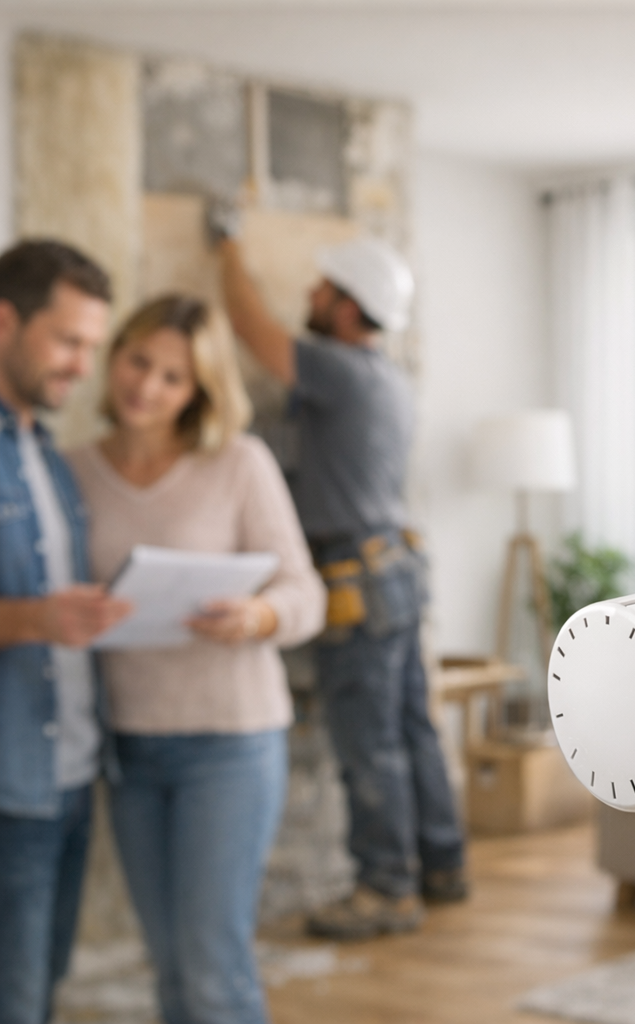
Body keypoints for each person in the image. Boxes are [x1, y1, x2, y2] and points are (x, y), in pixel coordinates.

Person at [66, 294, 326, 1023]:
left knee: (214, 965)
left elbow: (305, 590)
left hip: (231, 744)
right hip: (128, 746)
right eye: (138, 361)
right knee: (170, 966)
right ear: (114, 356)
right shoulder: (73, 470)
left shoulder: (239, 463)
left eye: (173, 377)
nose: (147, 387)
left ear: (200, 390)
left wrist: (259, 614)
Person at [210, 212, 466, 940]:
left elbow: (249, 325)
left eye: (322, 290)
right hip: (393, 569)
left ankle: (386, 889)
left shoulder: (338, 370)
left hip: (357, 578)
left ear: (349, 307)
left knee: (369, 743)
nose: (311, 298)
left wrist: (230, 244)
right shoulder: (386, 377)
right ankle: (441, 864)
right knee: (412, 728)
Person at [0, 239, 132, 1024]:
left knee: (40, 996)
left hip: (72, 776)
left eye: (93, 345)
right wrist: (35, 620)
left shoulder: (48, 456)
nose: (84, 366)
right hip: (9, 788)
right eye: (68, 340)